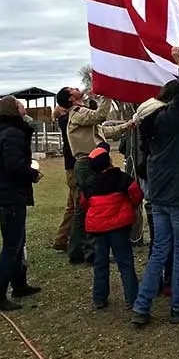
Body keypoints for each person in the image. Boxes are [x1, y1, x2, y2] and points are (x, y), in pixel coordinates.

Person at [131, 47, 179, 327]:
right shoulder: (172, 119)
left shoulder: (151, 123)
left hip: (160, 197)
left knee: (160, 250)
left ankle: (142, 307)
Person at [55, 88, 132, 265]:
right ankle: (90, 253)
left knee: (86, 209)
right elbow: (100, 116)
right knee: (90, 208)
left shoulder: (82, 115)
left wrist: (126, 126)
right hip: (88, 163)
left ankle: (79, 251)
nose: (77, 88)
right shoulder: (77, 113)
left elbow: (104, 133)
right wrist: (107, 93)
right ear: (71, 98)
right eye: (72, 89)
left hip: (93, 162)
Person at [0, 96, 42, 311]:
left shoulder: (7, 131)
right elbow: (13, 165)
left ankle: (19, 284)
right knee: (11, 245)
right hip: (8, 196)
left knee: (18, 241)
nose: (24, 106)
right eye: (20, 104)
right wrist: (32, 174)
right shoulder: (13, 133)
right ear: (14, 109)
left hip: (6, 193)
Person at [81, 145, 142, 310]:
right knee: (125, 263)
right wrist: (131, 206)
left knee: (100, 263)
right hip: (119, 226)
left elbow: (84, 203)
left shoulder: (88, 183)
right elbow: (136, 193)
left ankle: (99, 298)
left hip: (97, 228)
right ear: (108, 160)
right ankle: (132, 298)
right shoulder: (121, 177)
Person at [51, 105, 77, 252]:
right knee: (76, 206)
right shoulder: (64, 120)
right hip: (73, 167)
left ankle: (61, 239)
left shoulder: (65, 120)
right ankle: (69, 240)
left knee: (71, 207)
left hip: (71, 167)